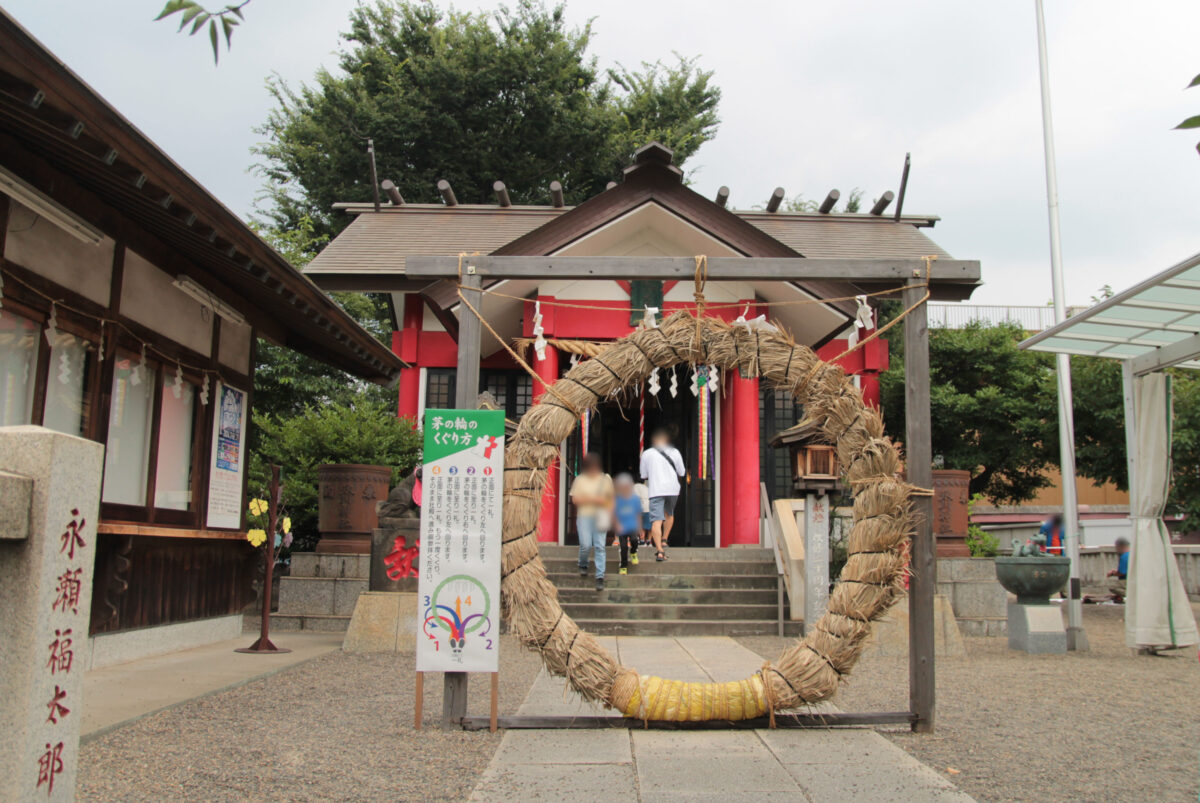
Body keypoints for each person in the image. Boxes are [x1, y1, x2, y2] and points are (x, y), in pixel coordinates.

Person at [640, 427, 686, 562]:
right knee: (669, 514)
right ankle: (665, 539)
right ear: (666, 440)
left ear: (654, 440)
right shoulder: (675, 452)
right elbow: (682, 472)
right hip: (672, 489)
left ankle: (660, 550)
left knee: (656, 520)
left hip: (656, 490)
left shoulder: (647, 454)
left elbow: (643, 475)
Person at [570, 453, 613, 591]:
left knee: (600, 546)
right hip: (584, 516)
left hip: (601, 515)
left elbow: (611, 500)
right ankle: (583, 563)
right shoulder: (580, 480)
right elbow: (575, 500)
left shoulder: (605, 479)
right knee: (585, 544)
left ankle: (600, 576)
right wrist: (593, 499)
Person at [612, 473, 642, 575]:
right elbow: (614, 514)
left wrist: (640, 528)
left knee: (634, 540)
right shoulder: (618, 499)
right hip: (622, 527)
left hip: (632, 525)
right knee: (623, 547)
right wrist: (617, 526)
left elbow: (638, 514)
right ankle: (623, 566)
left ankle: (634, 552)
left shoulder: (635, 499)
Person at [1108, 537, 1130, 603]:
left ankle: (1130, 595)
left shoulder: (1124, 556)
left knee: (1113, 586)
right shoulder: (1133, 553)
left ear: (1121, 546)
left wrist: (1112, 573)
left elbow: (1122, 572)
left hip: (1128, 580)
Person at [633, 479, 651, 545]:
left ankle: (642, 540)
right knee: (649, 526)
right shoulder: (647, 487)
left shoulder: (634, 487)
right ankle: (649, 541)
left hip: (639, 508)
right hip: (648, 507)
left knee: (640, 525)